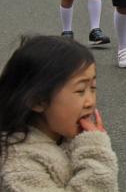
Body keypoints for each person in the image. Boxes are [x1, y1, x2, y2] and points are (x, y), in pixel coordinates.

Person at [0, 36, 118, 191]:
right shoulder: (18, 166)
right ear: (38, 101)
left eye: (93, 88)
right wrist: (96, 155)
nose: (90, 102)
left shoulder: (67, 139)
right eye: (80, 90)